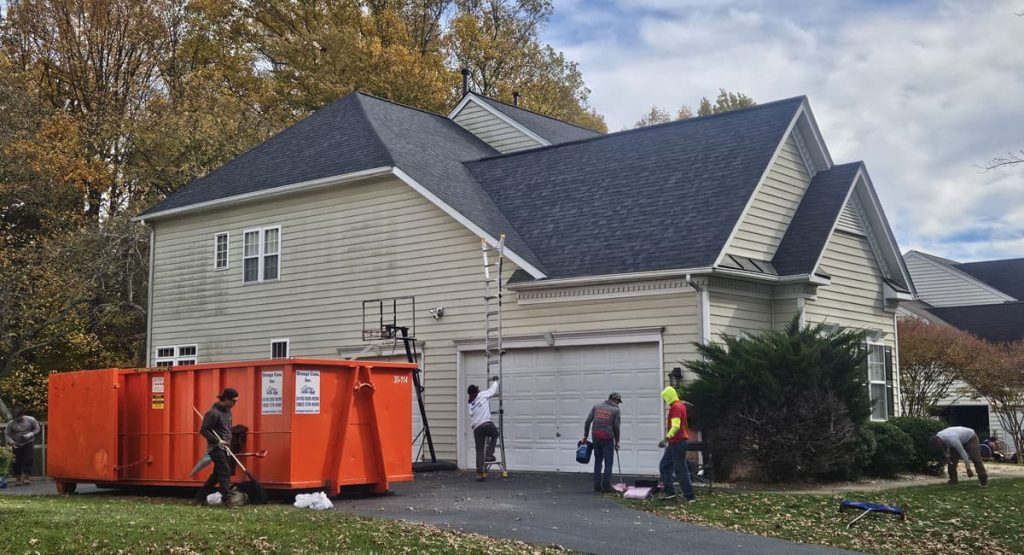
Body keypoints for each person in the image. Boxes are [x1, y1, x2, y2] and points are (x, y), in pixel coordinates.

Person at [194, 388, 239, 504]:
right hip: (215, 448)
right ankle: (227, 498)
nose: (235, 403)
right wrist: (217, 441)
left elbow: (227, 429)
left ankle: (199, 497)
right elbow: (204, 430)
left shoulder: (228, 411)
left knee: (217, 475)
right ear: (226, 399)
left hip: (226, 447)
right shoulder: (212, 413)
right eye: (233, 401)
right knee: (224, 471)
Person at [658, 386, 695, 502]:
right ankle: (670, 493)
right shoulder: (680, 405)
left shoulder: (675, 407)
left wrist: (665, 439)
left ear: (669, 396)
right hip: (675, 442)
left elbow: (675, 426)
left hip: (678, 442)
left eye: (665, 398)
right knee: (664, 466)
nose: (665, 401)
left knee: (680, 470)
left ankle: (690, 496)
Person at [583, 393, 622, 493]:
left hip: (595, 435)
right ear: (615, 400)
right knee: (608, 462)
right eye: (618, 402)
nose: (618, 404)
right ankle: (606, 486)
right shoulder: (616, 410)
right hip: (607, 436)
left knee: (598, 460)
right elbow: (616, 427)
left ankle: (597, 485)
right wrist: (617, 441)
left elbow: (588, 421)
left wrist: (585, 436)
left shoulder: (597, 406)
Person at [467, 376, 500, 481]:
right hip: (486, 424)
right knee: (495, 434)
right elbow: (492, 391)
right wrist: (495, 381)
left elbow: (471, 414)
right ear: (476, 391)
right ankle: (490, 454)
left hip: (477, 429)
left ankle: (479, 474)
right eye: (478, 389)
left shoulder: (470, 403)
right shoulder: (482, 395)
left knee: (479, 450)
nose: (479, 389)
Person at [4, 408, 41, 486]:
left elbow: (37, 429)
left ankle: (27, 477)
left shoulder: (30, 420)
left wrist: (30, 434)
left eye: (18, 417)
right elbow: (7, 433)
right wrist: (11, 442)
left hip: (28, 442)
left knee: (28, 459)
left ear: (22, 415)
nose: (17, 419)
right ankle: (18, 478)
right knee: (17, 461)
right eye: (15, 418)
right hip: (17, 443)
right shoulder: (11, 423)